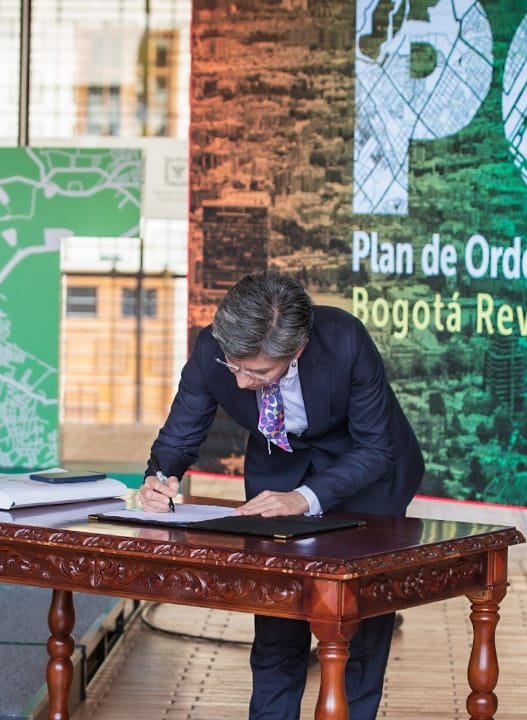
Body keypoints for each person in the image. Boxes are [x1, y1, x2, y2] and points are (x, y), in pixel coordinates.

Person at [138, 270, 424, 720]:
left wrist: (304, 498)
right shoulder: (212, 349)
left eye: (257, 372)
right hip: (277, 469)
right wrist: (160, 476)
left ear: (298, 349)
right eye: (234, 366)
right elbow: (180, 433)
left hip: (367, 473)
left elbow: (376, 448)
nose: (241, 384)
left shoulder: (344, 339)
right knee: (277, 617)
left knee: (360, 621)